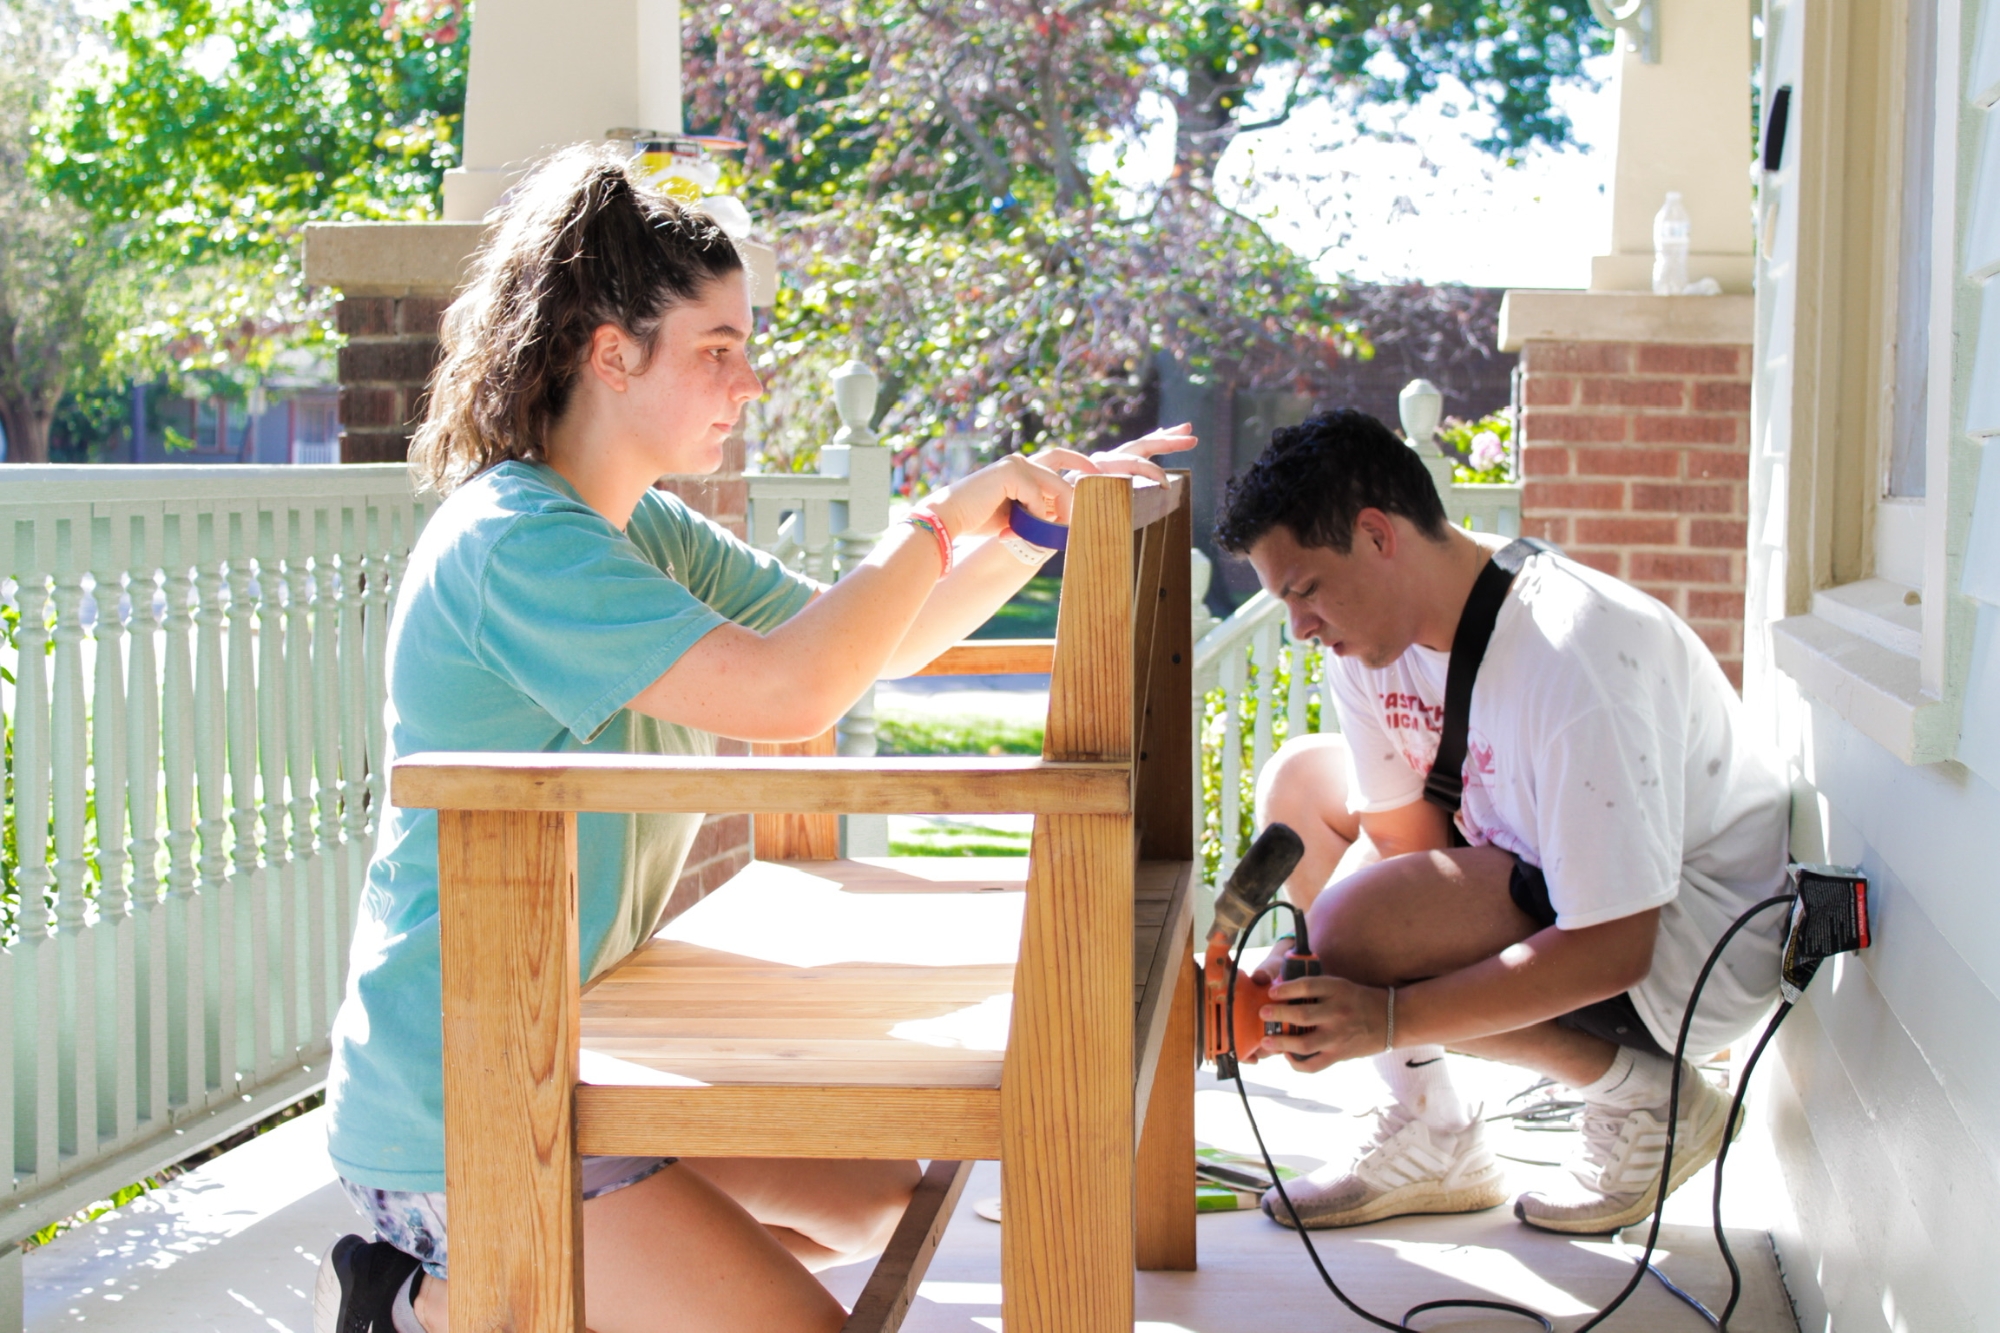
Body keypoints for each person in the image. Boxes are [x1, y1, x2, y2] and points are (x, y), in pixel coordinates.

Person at [313, 144, 1192, 1333]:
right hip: (464, 1097)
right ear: (608, 353)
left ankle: (523, 1298)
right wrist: (939, 518)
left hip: (574, 1050)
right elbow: (790, 694)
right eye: (716, 351)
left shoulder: (643, 530)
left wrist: (1035, 530)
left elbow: (873, 645)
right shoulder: (517, 543)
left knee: (881, 1196)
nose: (747, 379)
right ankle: (429, 1305)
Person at [1213, 408, 1788, 1236]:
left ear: (1378, 536)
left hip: (1690, 944)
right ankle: (1437, 1129)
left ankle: (1650, 1103)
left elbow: (1616, 943)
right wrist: (1297, 962)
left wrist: (1383, 1015)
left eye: (1305, 590)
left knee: (1350, 929)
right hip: (1549, 874)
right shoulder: (1376, 640)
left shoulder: (1574, 652)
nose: (1300, 626)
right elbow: (1409, 854)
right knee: (1302, 786)